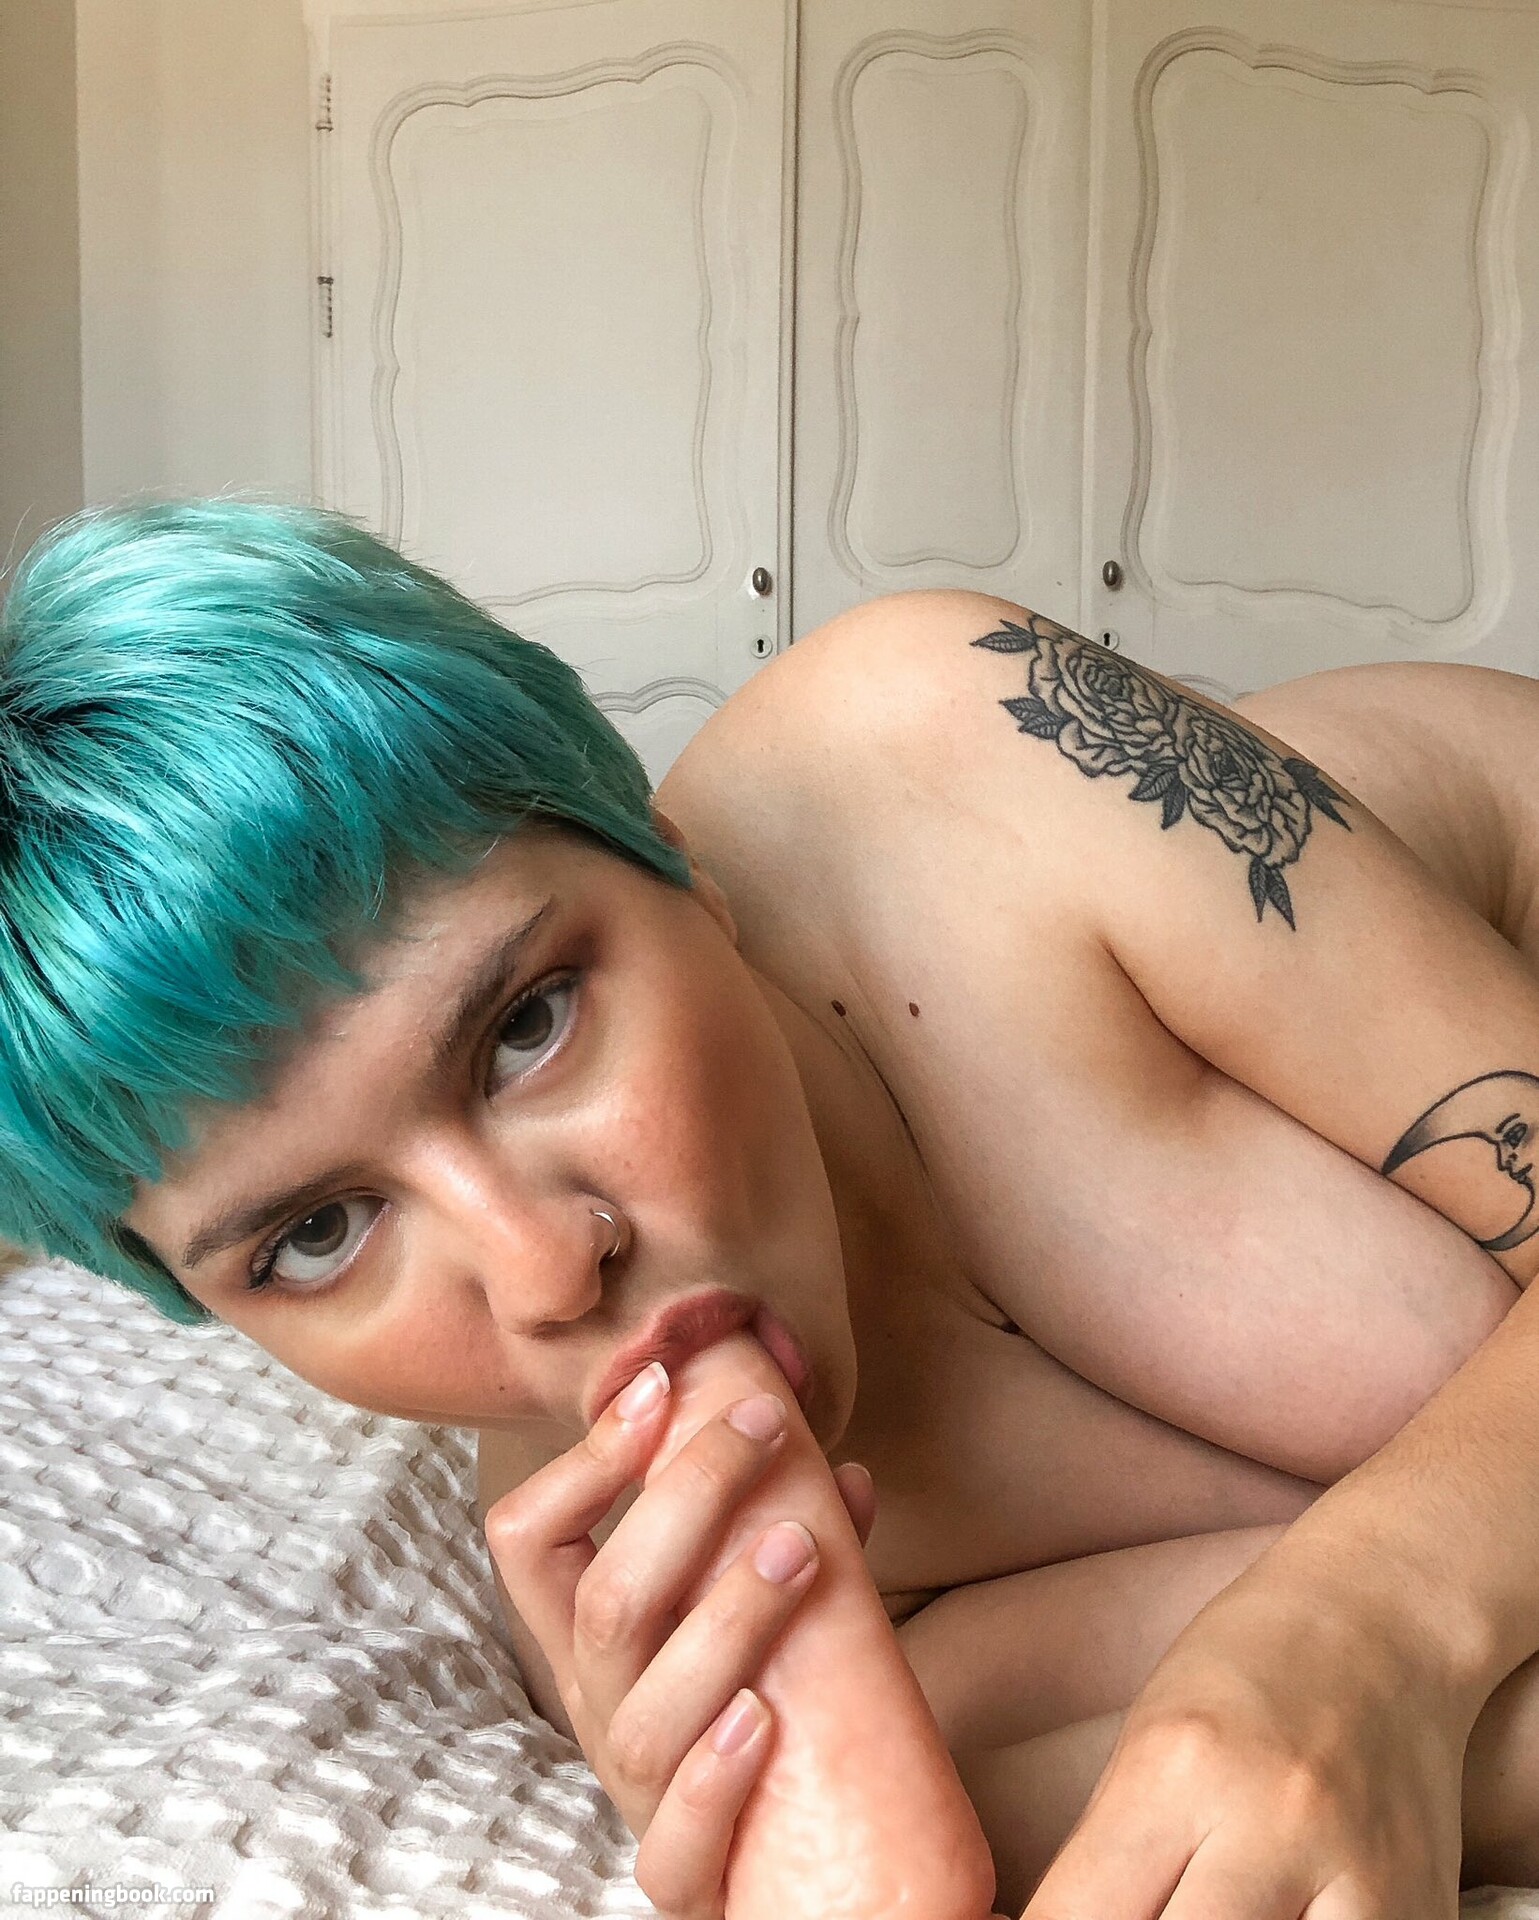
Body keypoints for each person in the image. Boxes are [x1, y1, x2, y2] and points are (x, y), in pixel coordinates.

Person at [8, 496, 1539, 1920]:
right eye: (316, 1238)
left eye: (528, 1026)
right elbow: (1287, 1780)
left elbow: (1378, 1656)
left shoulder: (953, 740)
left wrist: (1373, 1619)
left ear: (676, 866)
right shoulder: (645, 1622)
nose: (546, 1269)